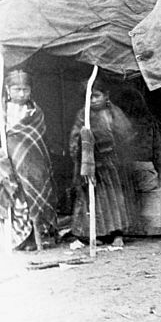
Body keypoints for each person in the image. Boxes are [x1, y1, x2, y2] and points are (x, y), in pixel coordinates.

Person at [69, 80, 136, 247]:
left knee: (115, 199)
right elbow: (75, 139)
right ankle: (95, 233)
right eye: (89, 97)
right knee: (93, 199)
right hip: (92, 163)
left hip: (113, 163)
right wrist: (83, 146)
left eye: (97, 96)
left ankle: (117, 234)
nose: (93, 100)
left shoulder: (114, 113)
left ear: (106, 95)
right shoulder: (83, 115)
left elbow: (126, 135)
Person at [0, 69, 57, 250]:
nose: (22, 93)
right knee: (15, 197)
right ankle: (18, 239)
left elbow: (38, 138)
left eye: (25, 89)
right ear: (8, 89)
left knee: (33, 196)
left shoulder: (34, 112)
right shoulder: (2, 110)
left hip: (33, 162)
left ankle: (35, 237)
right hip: (9, 162)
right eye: (17, 89)